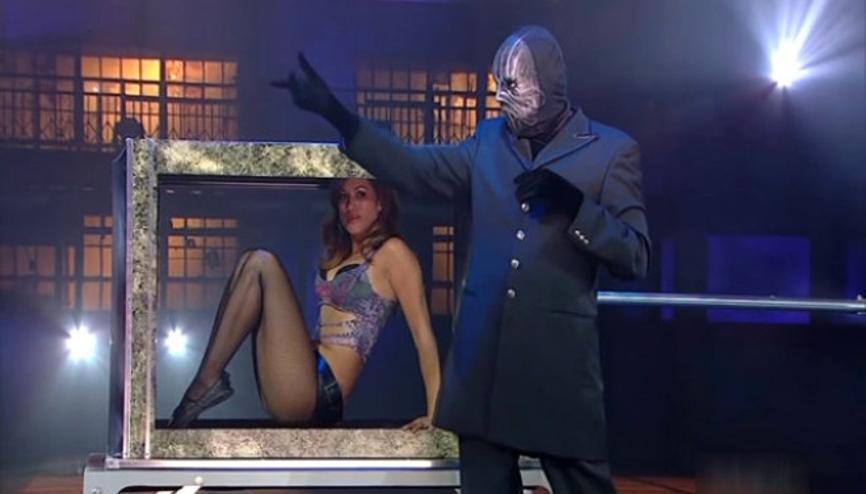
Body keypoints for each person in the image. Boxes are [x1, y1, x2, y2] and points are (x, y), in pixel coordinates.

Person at [282, 25, 651, 493]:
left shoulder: (610, 151)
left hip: (556, 373)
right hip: (482, 374)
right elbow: (415, 169)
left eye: (512, 85)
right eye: (498, 84)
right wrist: (338, 115)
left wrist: (576, 207)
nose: (500, 97)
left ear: (548, 83)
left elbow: (634, 255)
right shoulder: (489, 141)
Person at [168, 178, 441, 431]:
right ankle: (207, 381)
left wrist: (435, 415)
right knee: (247, 265)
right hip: (304, 371)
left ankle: (205, 383)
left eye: (361, 195)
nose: (350, 206)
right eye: (343, 197)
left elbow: (423, 336)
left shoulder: (393, 252)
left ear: (380, 203)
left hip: (323, 391)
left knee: (260, 263)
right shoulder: (339, 255)